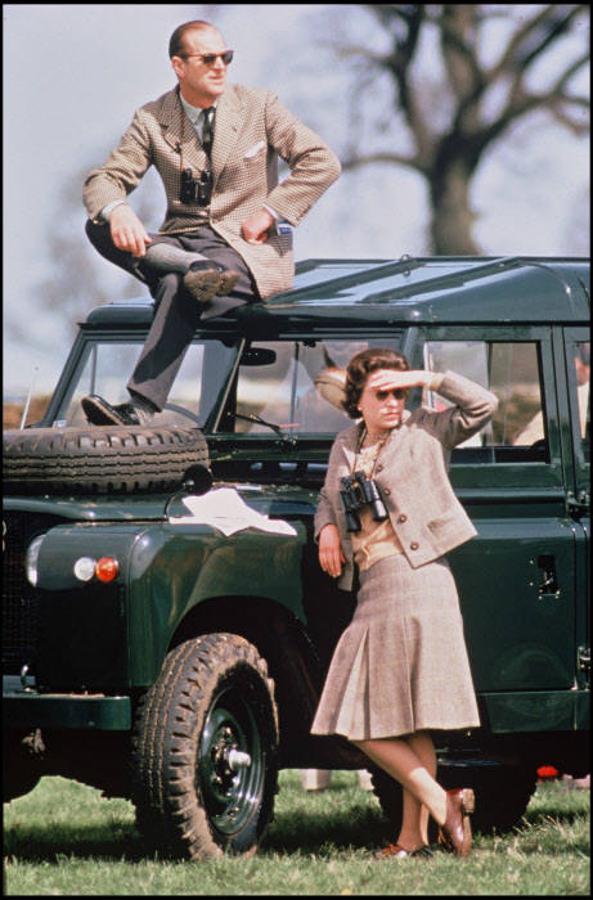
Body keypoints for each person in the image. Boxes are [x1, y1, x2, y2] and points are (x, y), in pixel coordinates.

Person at [80, 19, 341, 427]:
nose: (221, 66)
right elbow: (105, 179)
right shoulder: (152, 118)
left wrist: (270, 212)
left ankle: (141, 407)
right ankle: (187, 267)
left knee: (176, 285)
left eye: (227, 57)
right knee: (98, 223)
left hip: (244, 250)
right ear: (179, 66)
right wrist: (120, 211)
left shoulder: (260, 106)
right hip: (181, 243)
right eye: (208, 59)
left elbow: (322, 161)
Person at [310, 348, 498, 859]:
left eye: (400, 392)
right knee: (402, 722)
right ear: (358, 401)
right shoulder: (345, 444)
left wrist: (427, 377)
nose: (394, 402)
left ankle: (441, 805)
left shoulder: (426, 431)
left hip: (419, 581)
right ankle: (415, 835)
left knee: (362, 723)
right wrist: (326, 525)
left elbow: (484, 405)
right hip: (373, 584)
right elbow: (329, 497)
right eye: (382, 394)